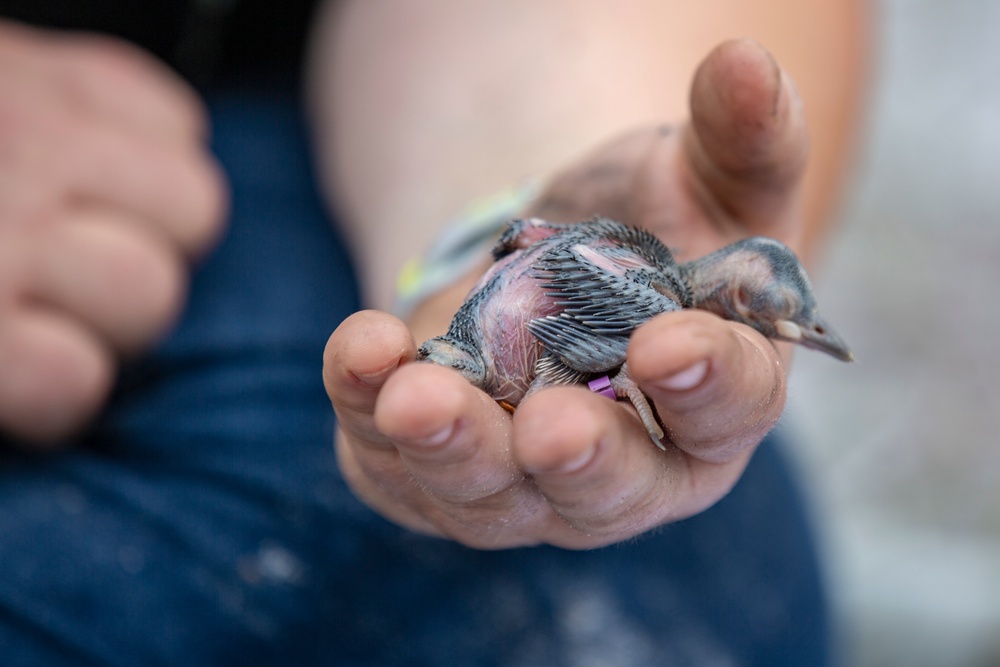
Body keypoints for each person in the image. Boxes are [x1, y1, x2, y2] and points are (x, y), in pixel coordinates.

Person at [0, 1, 868, 664]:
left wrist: (491, 197)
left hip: (322, 134)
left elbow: (532, 237)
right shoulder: (636, 286)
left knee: (673, 557)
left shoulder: (640, 281)